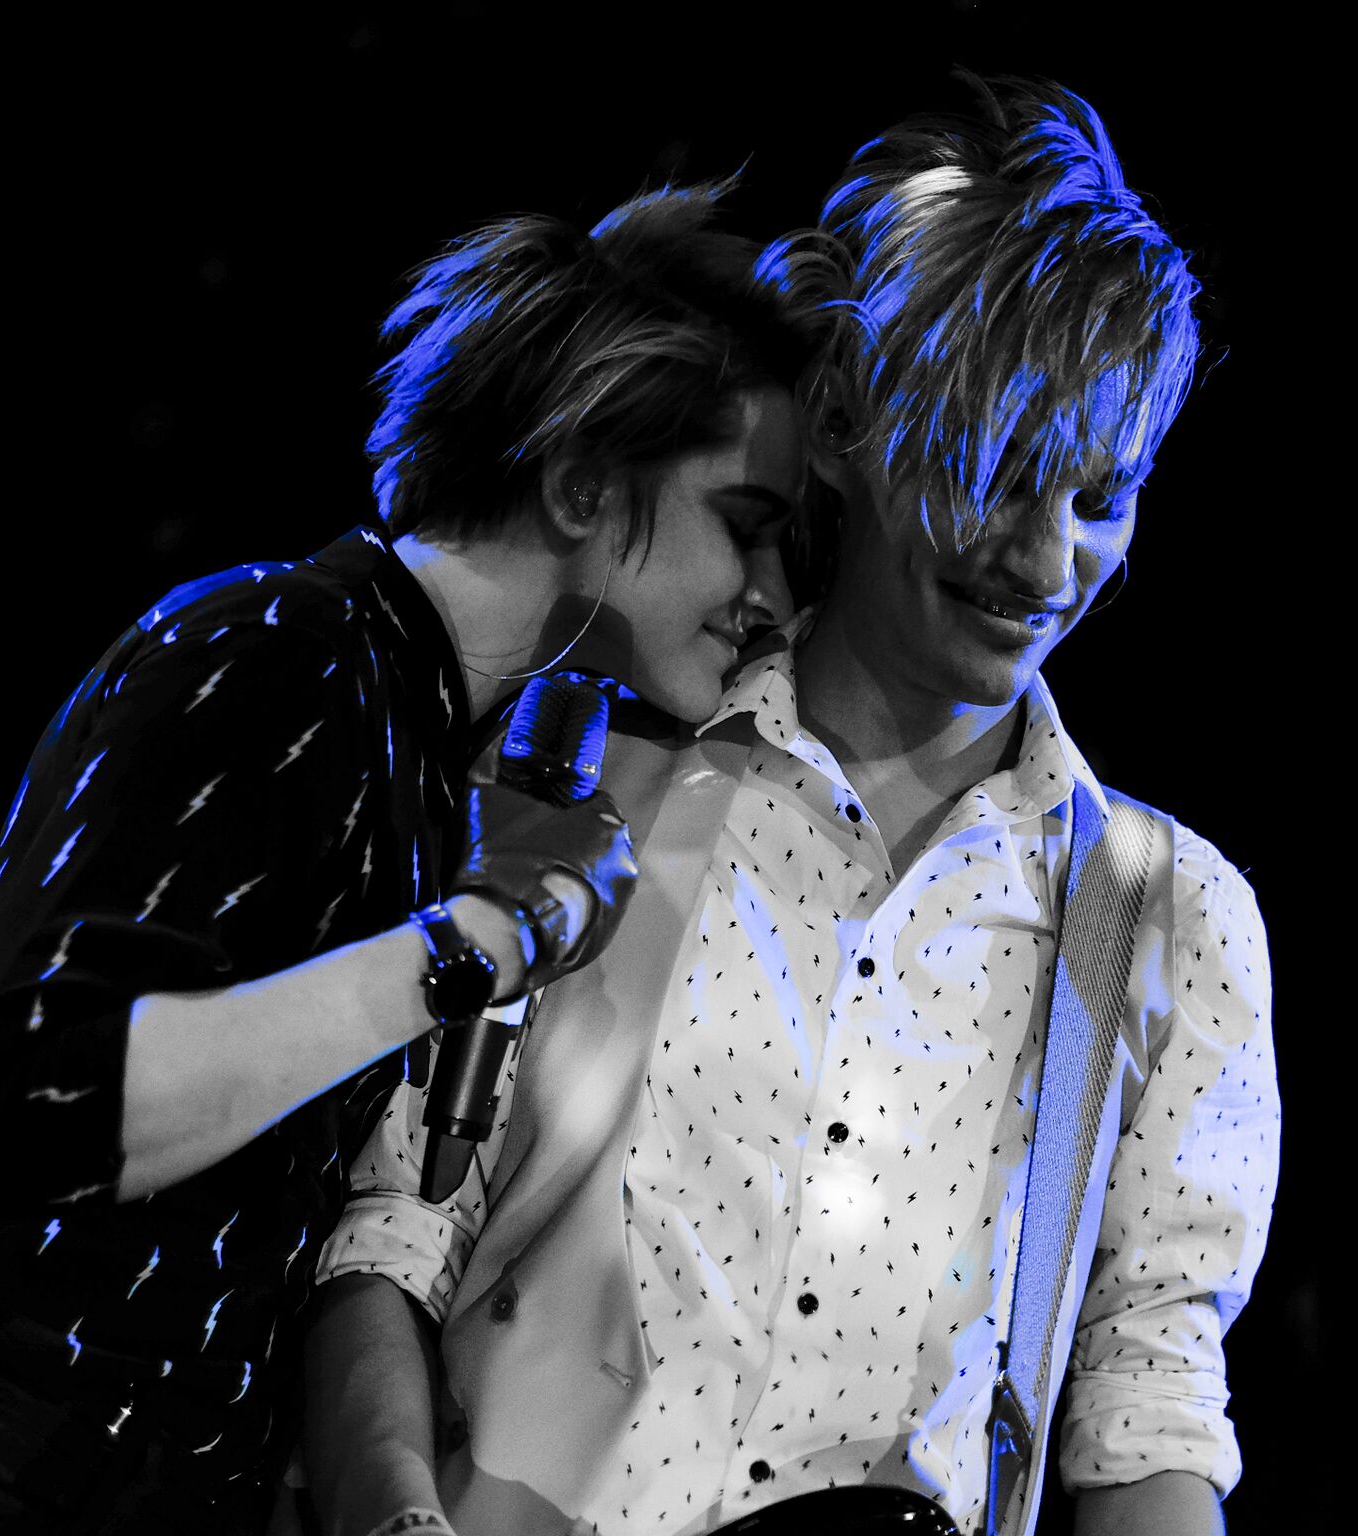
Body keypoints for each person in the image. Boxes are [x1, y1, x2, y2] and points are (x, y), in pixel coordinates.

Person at [306, 78, 1277, 1536]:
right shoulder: (582, 770)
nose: (1044, 561)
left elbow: (1146, 1402)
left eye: (1099, 497)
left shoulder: (1167, 919)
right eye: (998, 471)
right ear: (841, 421)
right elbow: (387, 1231)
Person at [0, 181, 815, 1533]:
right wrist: (474, 947)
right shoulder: (283, 649)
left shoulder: (415, 741)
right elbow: (37, 1104)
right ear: (582, 481)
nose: (771, 597)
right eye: (745, 524)